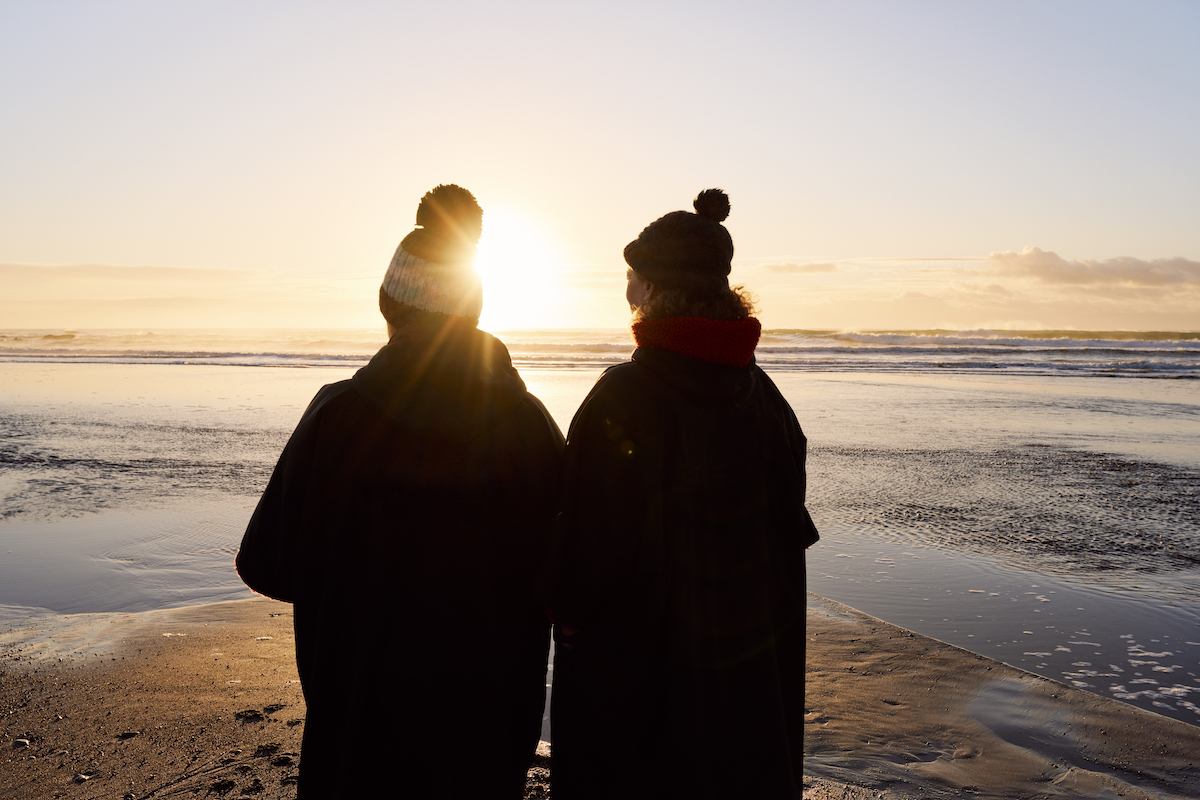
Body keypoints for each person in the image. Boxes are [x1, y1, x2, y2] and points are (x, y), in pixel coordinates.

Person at [236, 184, 564, 798]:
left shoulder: (337, 416)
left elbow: (266, 563)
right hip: (486, 733)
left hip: (359, 729)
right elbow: (567, 574)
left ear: (391, 306)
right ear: (473, 309)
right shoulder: (531, 424)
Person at [540, 189, 819, 799]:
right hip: (747, 692)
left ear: (655, 290)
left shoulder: (625, 399)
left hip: (643, 699)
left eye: (633, 279)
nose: (626, 293)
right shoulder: (766, 400)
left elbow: (585, 566)